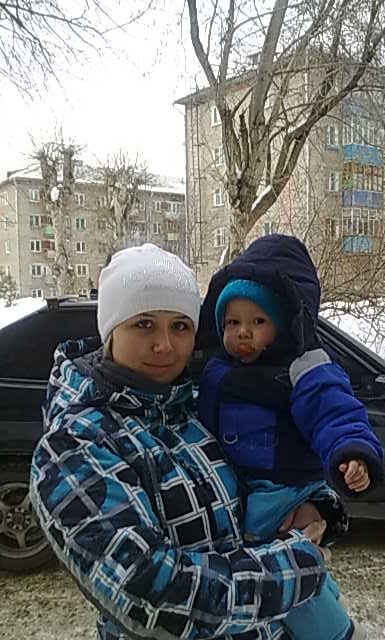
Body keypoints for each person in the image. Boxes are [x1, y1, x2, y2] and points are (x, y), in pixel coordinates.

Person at [30, 243, 338, 640]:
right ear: (110, 329)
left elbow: (269, 473)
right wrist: (297, 565)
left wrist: (314, 507)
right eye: (144, 324)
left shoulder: (195, 405)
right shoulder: (75, 443)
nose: (165, 345)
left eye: (180, 326)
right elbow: (151, 594)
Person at [197, 234, 385, 640]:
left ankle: (335, 632)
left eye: (258, 322)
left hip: (283, 488)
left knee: (280, 567)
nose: (243, 333)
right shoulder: (213, 367)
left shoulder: (304, 367)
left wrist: (351, 452)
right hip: (244, 485)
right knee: (284, 565)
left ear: (283, 324)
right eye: (233, 322)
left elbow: (334, 410)